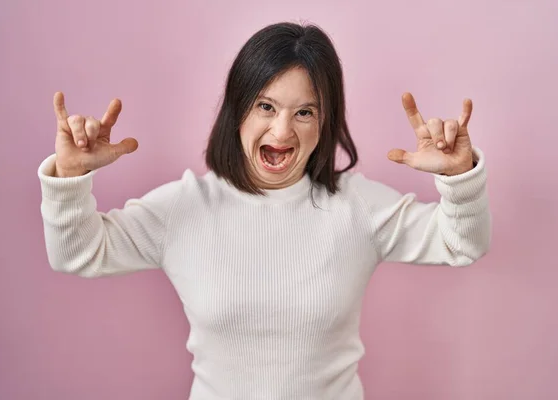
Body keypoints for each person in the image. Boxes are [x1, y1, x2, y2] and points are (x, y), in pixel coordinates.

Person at [37, 21, 491, 400]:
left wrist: (459, 176)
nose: (281, 129)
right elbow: (78, 253)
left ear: (325, 122)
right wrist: (70, 176)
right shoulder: (185, 208)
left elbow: (462, 243)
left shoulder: (358, 207)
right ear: (238, 111)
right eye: (266, 106)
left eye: (305, 113)